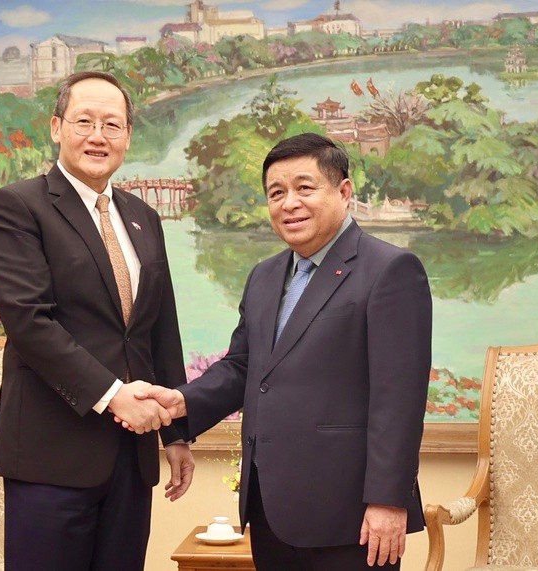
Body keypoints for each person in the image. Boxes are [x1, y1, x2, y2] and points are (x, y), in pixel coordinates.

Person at [129, 133, 432, 570]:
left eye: (305, 188)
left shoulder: (390, 270)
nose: (289, 203)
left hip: (352, 516)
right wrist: (182, 401)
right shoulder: (265, 276)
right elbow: (244, 367)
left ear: (344, 192)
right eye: (276, 193)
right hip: (270, 510)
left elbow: (399, 399)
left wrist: (388, 501)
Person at [0, 71, 194, 571]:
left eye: (112, 125)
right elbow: (31, 324)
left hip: (130, 456)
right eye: (84, 121)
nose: (98, 136)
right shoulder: (19, 206)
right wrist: (114, 395)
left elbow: (160, 328)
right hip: (51, 452)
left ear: (127, 137)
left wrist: (178, 434)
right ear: (56, 127)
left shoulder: (144, 216)